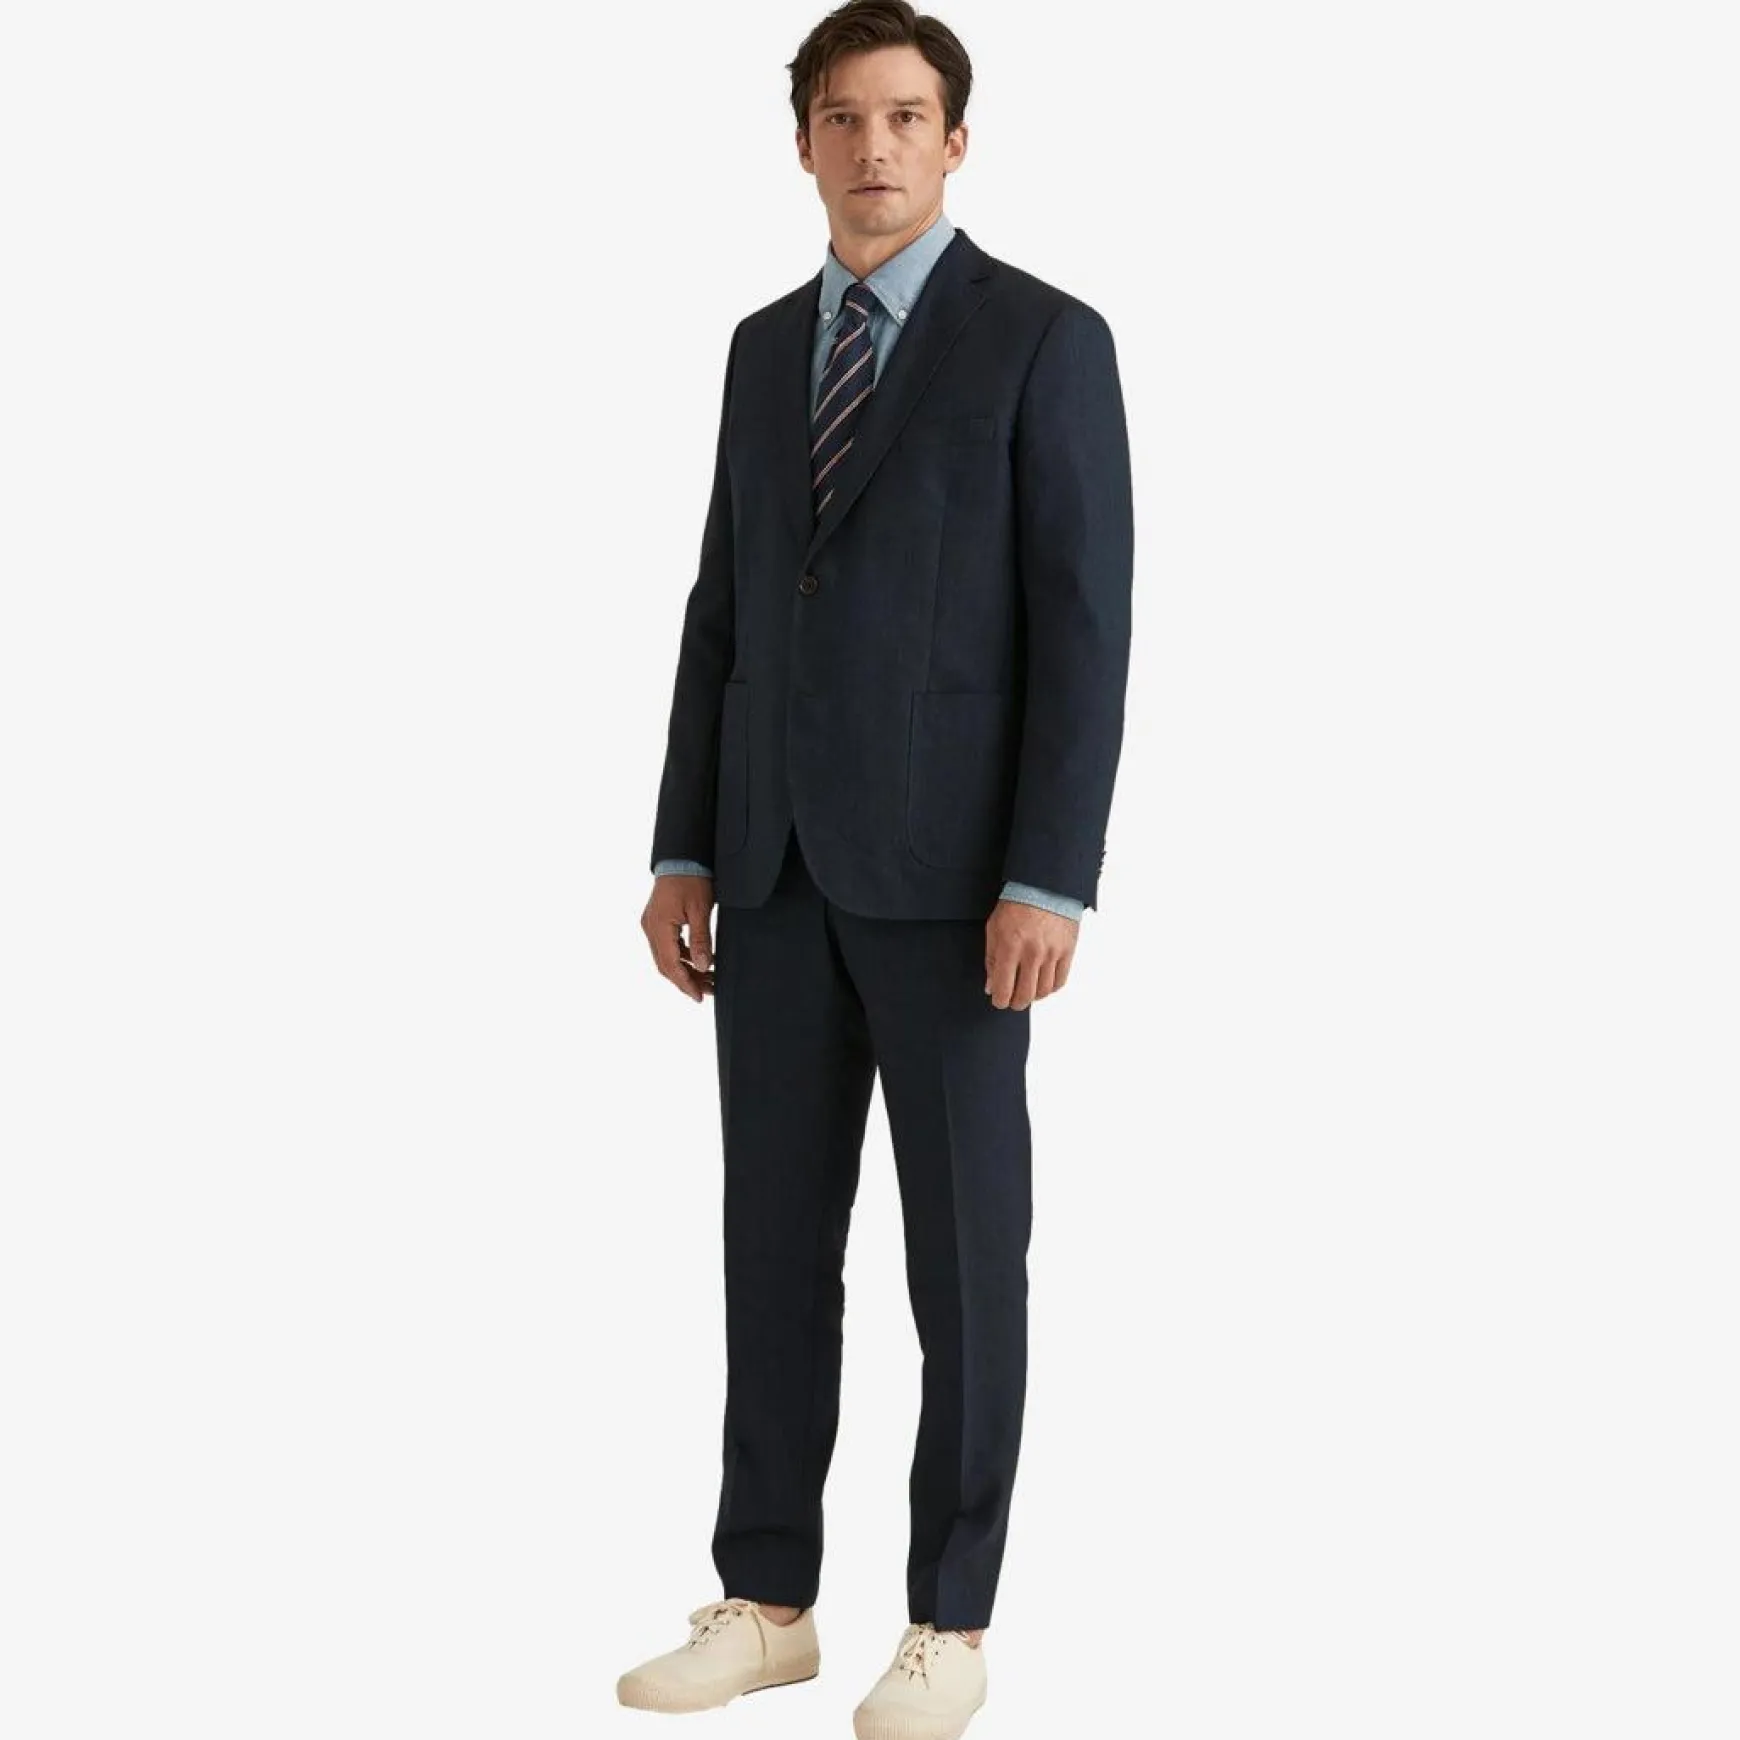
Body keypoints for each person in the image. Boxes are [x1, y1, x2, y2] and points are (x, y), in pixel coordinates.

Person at [623, 3, 1132, 1735]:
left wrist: (1049, 878)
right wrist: (685, 841)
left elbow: (1083, 626)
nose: (874, 148)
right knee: (770, 1247)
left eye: (907, 117)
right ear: (803, 145)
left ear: (956, 141)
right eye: (843, 119)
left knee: (965, 1265)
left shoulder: (1044, 340)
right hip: (768, 874)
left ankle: (951, 1622)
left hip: (958, 887)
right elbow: (722, 608)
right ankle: (768, 1601)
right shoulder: (764, 349)